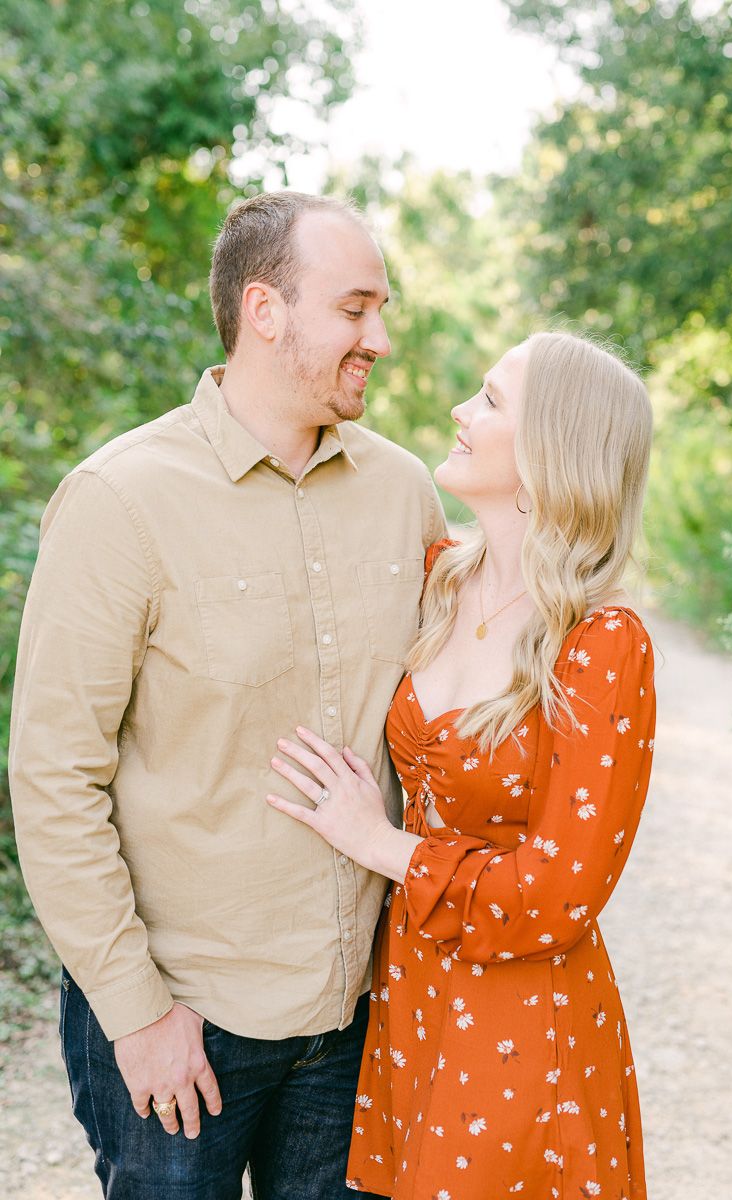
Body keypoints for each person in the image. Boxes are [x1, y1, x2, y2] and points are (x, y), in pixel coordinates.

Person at [9, 191, 446, 1200]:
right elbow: (52, 778)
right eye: (355, 308)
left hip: (355, 1023)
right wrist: (136, 1012)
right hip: (184, 1024)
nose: (379, 337)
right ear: (265, 310)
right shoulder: (121, 500)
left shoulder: (406, 493)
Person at [266, 329, 656, 1200]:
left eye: (487, 400)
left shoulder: (600, 642)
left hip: (524, 1016)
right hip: (413, 994)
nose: (458, 411)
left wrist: (381, 844)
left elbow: (559, 895)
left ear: (551, 450)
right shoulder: (439, 577)